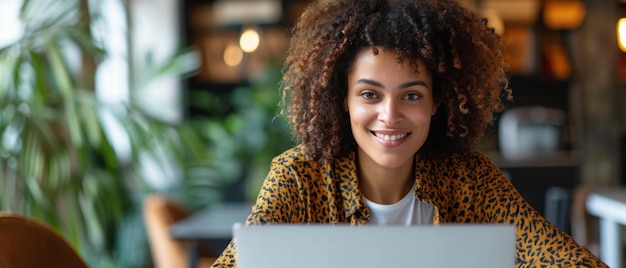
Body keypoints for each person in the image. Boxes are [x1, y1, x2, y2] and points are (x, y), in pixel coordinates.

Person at [211, 0, 606, 267]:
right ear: (343, 99)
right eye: (369, 94)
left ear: (437, 102)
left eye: (411, 95)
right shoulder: (299, 179)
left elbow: (566, 259)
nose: (390, 115)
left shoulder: (470, 181)